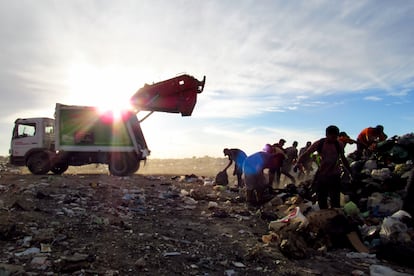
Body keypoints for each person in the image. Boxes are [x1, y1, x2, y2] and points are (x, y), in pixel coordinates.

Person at [296, 125, 351, 209]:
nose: (334, 139)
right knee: (322, 199)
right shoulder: (319, 143)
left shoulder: (339, 144)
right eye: (332, 137)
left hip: (334, 175)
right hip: (322, 175)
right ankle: (324, 215)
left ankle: (335, 216)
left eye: (336, 137)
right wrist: (298, 162)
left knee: (335, 199)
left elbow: (343, 159)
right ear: (326, 135)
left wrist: (350, 171)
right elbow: (307, 154)